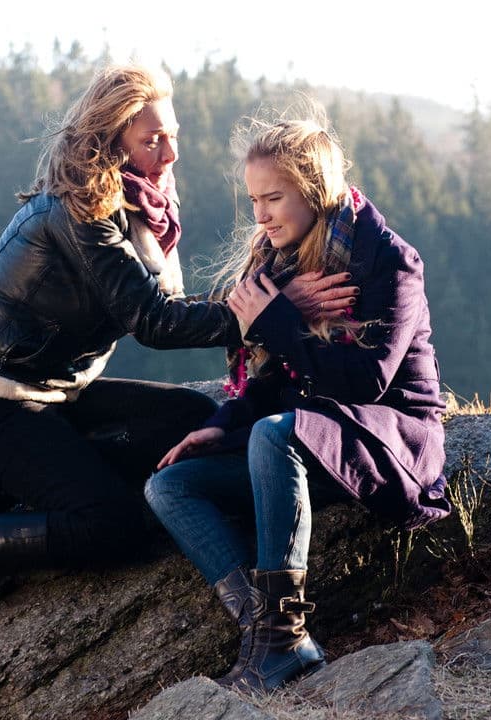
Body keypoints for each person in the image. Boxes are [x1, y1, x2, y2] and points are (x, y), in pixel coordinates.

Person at [0, 64, 353, 648]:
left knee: (194, 419)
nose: (169, 154)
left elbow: (164, 304)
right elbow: (154, 321)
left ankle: (5, 483)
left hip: (51, 396)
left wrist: (260, 304)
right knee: (114, 525)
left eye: (173, 135)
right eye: (151, 140)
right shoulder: (82, 212)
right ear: (111, 141)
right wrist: (267, 312)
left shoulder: (140, 202)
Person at [143, 110, 451, 692]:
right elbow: (275, 378)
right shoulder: (280, 265)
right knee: (170, 485)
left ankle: (283, 640)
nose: (260, 215)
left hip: (388, 439)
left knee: (273, 433)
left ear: (313, 191)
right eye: (254, 200)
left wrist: (279, 318)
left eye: (274, 198)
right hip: (312, 441)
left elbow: (366, 381)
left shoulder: (387, 260)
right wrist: (223, 423)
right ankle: (268, 631)